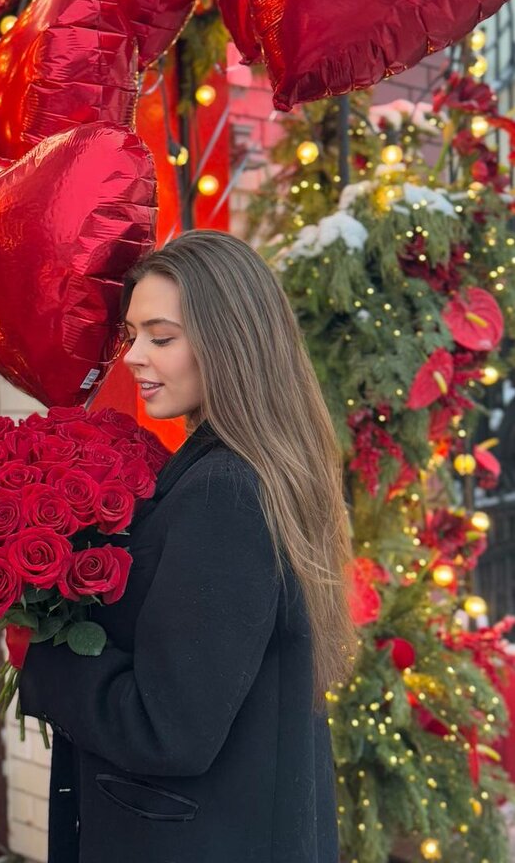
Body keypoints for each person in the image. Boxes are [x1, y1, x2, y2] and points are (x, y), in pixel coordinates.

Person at [18, 230, 357, 863]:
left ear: (230, 344)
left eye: (162, 337)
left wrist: (41, 655)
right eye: (133, 335)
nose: (134, 357)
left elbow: (167, 730)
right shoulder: (245, 467)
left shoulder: (225, 490)